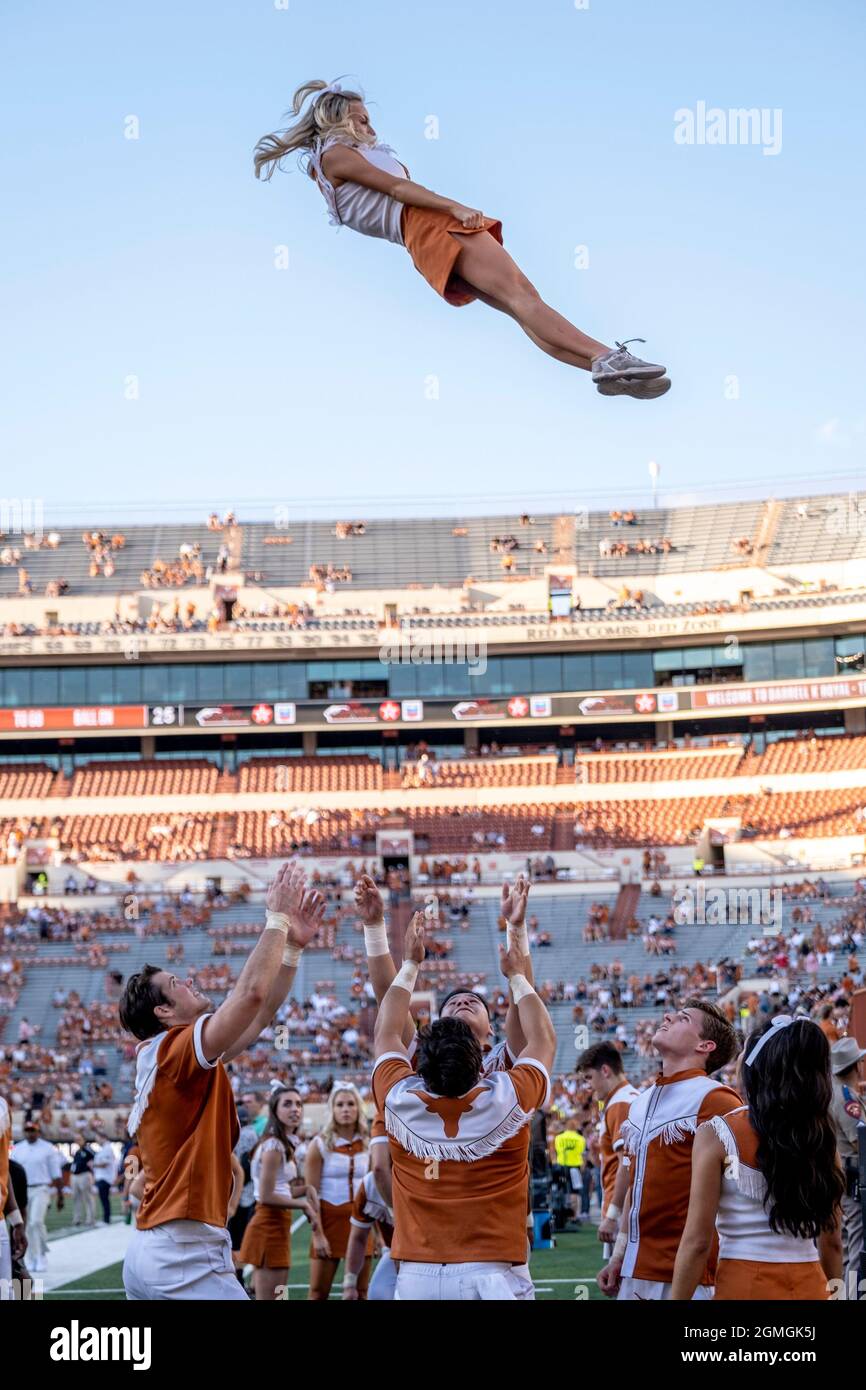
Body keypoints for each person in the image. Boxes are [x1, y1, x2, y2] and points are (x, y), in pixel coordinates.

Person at [254, 81, 671, 402]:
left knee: (519, 309)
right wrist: (453, 207)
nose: (370, 127)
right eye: (361, 120)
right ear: (338, 120)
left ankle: (606, 369)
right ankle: (606, 357)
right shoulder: (336, 157)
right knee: (524, 296)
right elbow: (399, 191)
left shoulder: (328, 171)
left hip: (420, 243)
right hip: (431, 226)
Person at [119, 861, 325, 1300]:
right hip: (184, 1252)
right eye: (176, 983)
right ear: (163, 1012)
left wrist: (291, 950)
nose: (189, 980)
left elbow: (260, 1013)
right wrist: (276, 918)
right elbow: (249, 994)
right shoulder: (176, 1050)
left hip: (155, 1247)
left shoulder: (173, 1057)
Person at [372, 913, 556, 1300]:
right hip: (492, 1265)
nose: (463, 1001)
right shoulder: (509, 1092)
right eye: (454, 1002)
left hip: (419, 1267)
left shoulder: (399, 1095)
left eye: (473, 1001)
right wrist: (516, 970)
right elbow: (541, 1036)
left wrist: (406, 958)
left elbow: (386, 1026)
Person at [671, 1016, 844, 1299]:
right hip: (811, 1284)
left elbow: (697, 1243)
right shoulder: (821, 1137)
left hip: (744, 1283)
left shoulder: (717, 1133)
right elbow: (832, 1242)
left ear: (755, 1068)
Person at [598, 999, 740, 1300]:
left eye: (683, 1018)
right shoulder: (640, 1102)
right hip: (635, 1269)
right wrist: (618, 1256)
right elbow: (635, 1187)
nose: (667, 1016)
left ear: (705, 1046)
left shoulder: (718, 1100)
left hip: (689, 1275)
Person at [239, 1084, 321, 1301]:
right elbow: (266, 1196)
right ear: (275, 1110)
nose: (295, 1109)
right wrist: (304, 1204)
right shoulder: (274, 1146)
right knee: (271, 1297)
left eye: (298, 1104)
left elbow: (282, 1189)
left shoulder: (282, 1144)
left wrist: (306, 1189)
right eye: (287, 1104)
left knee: (278, 1295)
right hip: (268, 1224)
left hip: (278, 1223)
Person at [304, 1084, 370, 1301]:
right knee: (317, 1293)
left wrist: (378, 1235)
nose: (345, 1109)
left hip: (361, 1225)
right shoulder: (319, 1144)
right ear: (332, 1109)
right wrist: (318, 1235)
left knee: (360, 1293)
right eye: (339, 1104)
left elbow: (373, 1193)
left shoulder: (369, 1144)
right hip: (328, 1224)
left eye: (351, 1104)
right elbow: (310, 1195)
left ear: (359, 1109)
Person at [577, 1041, 640, 1256]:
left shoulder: (619, 1103)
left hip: (624, 1209)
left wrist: (612, 1215)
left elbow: (627, 1163)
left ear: (605, 1071)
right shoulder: (627, 1098)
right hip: (628, 1204)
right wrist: (598, 1154)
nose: (588, 1086)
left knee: (623, 1284)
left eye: (589, 1078)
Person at [342, 1119, 396, 1302]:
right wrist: (349, 1283)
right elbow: (358, 1237)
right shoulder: (370, 1185)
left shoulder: (424, 1176)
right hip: (395, 1250)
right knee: (378, 1293)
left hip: (436, 1254)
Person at [829, 1034, 866, 1291]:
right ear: (857, 1065)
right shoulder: (846, 1098)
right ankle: (852, 1295)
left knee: (845, 1241)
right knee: (857, 1241)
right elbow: (859, 1141)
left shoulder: (833, 1092)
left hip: (841, 1174)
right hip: (855, 1175)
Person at [10, 1120, 64, 1274]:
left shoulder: (47, 1149)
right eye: (27, 1130)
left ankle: (41, 1255)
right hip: (21, 1191)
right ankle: (32, 1256)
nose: (30, 1133)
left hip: (41, 1188)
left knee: (36, 1222)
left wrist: (60, 1195)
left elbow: (56, 1173)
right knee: (23, 1226)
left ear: (38, 1131)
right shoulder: (17, 1149)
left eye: (32, 1130)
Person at [553, 1119, 585, 1226]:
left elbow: (557, 1150)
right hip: (575, 1167)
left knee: (560, 1190)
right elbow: (581, 1152)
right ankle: (574, 1216)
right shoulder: (580, 1139)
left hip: (561, 1166)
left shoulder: (558, 1138)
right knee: (574, 1192)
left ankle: (561, 1213)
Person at [69, 1135, 96, 1227]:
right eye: (76, 1140)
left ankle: (90, 1219)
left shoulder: (87, 1149)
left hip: (84, 1175)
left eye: (79, 1139)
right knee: (76, 1198)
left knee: (88, 1198)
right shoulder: (77, 1151)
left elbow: (95, 1156)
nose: (77, 1141)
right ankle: (77, 1218)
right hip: (75, 1176)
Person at [92, 1132, 117, 1225]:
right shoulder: (104, 1149)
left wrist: (93, 1164)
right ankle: (106, 1218)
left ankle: (106, 1219)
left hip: (105, 1178)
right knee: (103, 1199)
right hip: (102, 1177)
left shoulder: (107, 1148)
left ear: (103, 1137)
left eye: (97, 1138)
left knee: (104, 1199)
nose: (96, 1141)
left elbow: (105, 1163)